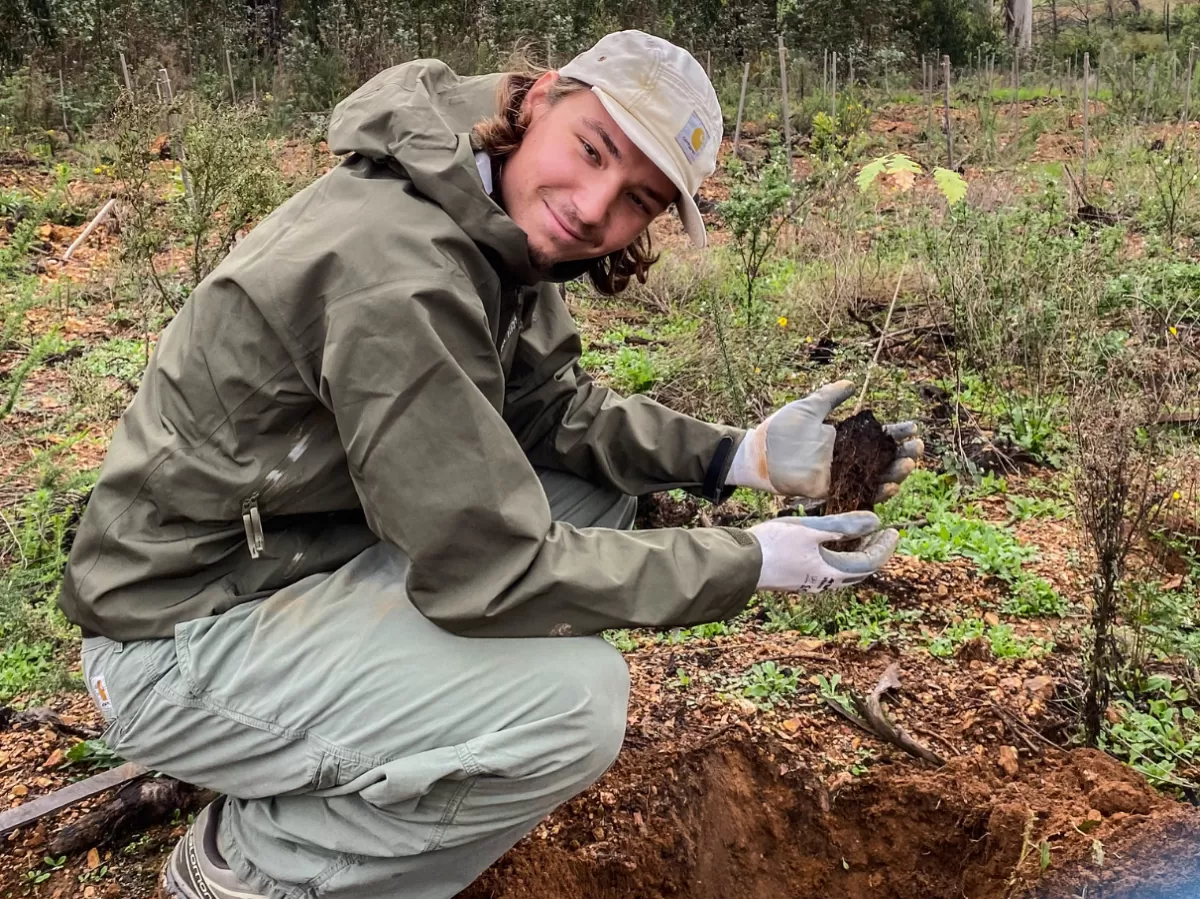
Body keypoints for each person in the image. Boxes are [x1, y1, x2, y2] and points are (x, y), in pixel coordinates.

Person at [60, 30, 921, 899]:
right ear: (542, 99)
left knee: (592, 490)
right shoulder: (396, 266)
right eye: (592, 150)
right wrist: (756, 560)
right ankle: (254, 867)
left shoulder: (478, 202)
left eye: (637, 200)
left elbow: (552, 410)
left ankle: (359, 736)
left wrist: (741, 456)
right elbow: (492, 565)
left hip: (289, 563)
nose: (592, 208)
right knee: (573, 709)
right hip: (173, 636)